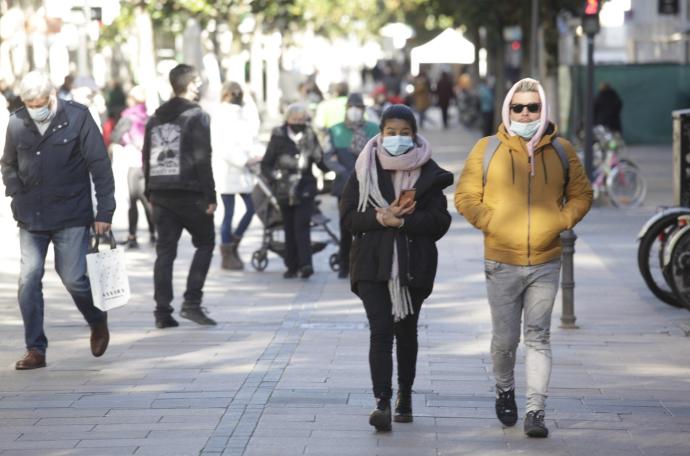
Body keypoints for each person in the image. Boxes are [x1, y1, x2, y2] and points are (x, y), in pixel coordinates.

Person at [455, 78, 593, 438]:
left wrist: (560, 221)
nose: (526, 113)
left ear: (543, 109)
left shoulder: (562, 150)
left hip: (545, 262)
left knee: (538, 337)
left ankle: (536, 410)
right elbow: (466, 196)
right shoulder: (487, 149)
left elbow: (581, 194)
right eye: (519, 107)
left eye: (533, 107)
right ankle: (504, 389)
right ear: (508, 110)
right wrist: (492, 223)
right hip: (501, 260)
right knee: (504, 341)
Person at [339, 104, 452, 431]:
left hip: (413, 267)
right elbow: (347, 218)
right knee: (381, 331)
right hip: (371, 264)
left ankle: (404, 394)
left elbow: (439, 223)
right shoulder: (364, 168)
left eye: (404, 133)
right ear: (381, 133)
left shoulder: (429, 173)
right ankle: (382, 402)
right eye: (391, 133)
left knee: (405, 331)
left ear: (414, 135)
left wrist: (402, 221)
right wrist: (378, 217)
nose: (397, 139)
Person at [0, 71, 115, 370]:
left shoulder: (77, 117)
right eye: (29, 103)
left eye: (39, 103)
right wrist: (15, 193)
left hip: (71, 214)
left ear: (51, 96)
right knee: (28, 281)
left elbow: (99, 165)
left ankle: (97, 319)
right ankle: (35, 349)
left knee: (74, 278)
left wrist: (105, 211)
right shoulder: (17, 121)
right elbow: (8, 163)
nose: (34, 109)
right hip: (31, 216)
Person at [142, 63, 217, 329]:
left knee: (165, 252)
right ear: (190, 84)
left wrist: (150, 190)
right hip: (191, 191)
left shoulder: (155, 116)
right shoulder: (197, 115)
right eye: (197, 81)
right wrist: (211, 195)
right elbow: (202, 157)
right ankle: (192, 303)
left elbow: (146, 154)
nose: (200, 86)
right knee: (205, 243)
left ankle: (162, 311)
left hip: (161, 192)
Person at [260, 103, 327, 279]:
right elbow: (266, 163)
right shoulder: (278, 135)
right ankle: (291, 265)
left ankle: (306, 265)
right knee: (289, 227)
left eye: (301, 119)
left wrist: (331, 168)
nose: (298, 122)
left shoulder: (310, 134)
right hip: (284, 188)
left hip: (305, 187)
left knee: (302, 226)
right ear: (287, 120)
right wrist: (274, 177)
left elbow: (319, 159)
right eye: (294, 119)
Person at [325, 93, 379, 278]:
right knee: (345, 225)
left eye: (358, 107)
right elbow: (327, 157)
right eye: (352, 107)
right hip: (345, 185)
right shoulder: (335, 130)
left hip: (369, 184)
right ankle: (344, 264)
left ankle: (366, 263)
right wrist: (342, 171)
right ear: (347, 109)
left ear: (363, 110)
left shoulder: (374, 129)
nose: (355, 111)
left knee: (369, 225)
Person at [211, 81, 260, 270]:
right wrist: (243, 160)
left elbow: (250, 138)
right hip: (227, 170)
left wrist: (254, 155)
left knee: (251, 207)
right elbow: (221, 145)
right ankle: (227, 252)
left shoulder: (243, 113)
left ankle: (233, 244)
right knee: (228, 213)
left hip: (244, 170)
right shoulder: (220, 115)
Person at [111, 85, 155, 248]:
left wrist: (126, 140)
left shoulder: (128, 118)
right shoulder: (149, 117)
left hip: (133, 163)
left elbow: (114, 136)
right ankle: (153, 233)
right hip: (148, 163)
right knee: (147, 200)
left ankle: (132, 235)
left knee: (134, 200)